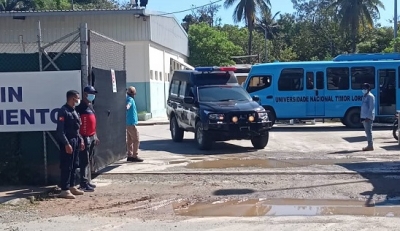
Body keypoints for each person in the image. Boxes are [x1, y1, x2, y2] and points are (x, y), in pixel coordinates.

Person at [56, 90, 85, 199]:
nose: (78, 100)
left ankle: (72, 186)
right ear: (72, 98)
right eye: (77, 98)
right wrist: (66, 144)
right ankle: (65, 189)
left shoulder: (74, 111)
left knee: (74, 164)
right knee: (66, 165)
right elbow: (60, 131)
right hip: (68, 141)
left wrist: (80, 139)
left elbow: (76, 128)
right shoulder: (63, 111)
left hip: (76, 140)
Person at [75, 86, 100, 192]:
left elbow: (93, 123)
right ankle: (83, 183)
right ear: (85, 94)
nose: (92, 95)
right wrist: (80, 138)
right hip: (84, 138)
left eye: (93, 93)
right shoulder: (80, 107)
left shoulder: (90, 106)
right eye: (90, 93)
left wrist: (95, 135)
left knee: (88, 160)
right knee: (84, 161)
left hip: (91, 136)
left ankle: (87, 181)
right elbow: (77, 125)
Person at [126, 86, 143, 162]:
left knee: (129, 140)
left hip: (127, 123)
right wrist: (127, 107)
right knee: (136, 139)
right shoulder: (130, 99)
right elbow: (128, 105)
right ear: (133, 94)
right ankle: (134, 156)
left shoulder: (126, 98)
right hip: (131, 123)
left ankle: (129, 155)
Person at [360, 83, 375, 151]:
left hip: (368, 117)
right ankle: (369, 145)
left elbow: (371, 108)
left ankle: (370, 146)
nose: (363, 89)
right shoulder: (365, 96)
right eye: (363, 88)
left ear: (368, 89)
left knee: (369, 132)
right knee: (367, 132)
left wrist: (368, 117)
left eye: (365, 88)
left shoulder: (370, 96)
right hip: (364, 116)